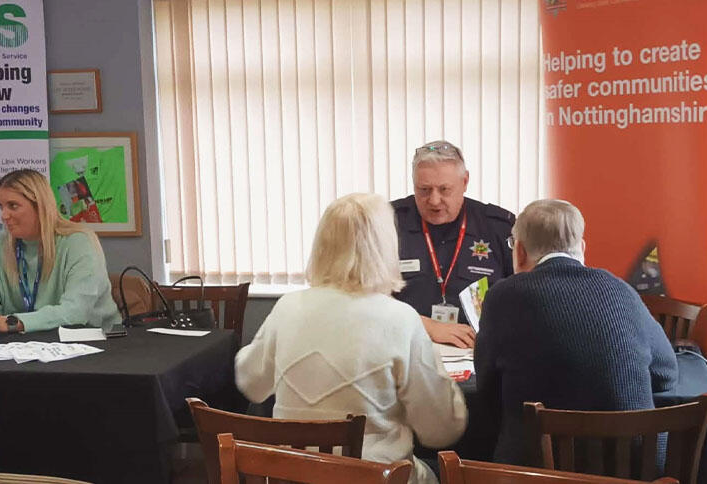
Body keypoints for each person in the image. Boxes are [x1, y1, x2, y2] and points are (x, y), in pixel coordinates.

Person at [236, 193, 467, 484]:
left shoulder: (287, 308)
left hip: (293, 476)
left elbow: (251, 383)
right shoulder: (400, 319)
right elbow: (440, 429)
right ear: (386, 247)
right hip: (375, 477)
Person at [474, 199, 678, 466]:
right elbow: (666, 374)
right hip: (633, 468)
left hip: (536, 472)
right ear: (581, 248)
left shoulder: (503, 297)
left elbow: (486, 387)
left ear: (520, 251)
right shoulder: (621, 291)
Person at [0, 169, 121, 333]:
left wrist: (11, 322)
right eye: (1, 206)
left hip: (94, 343)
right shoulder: (3, 243)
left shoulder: (79, 242)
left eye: (13, 206)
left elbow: (76, 312)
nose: (4, 215)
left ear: (40, 206)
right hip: (30, 345)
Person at [392, 140, 515, 349]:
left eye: (444, 189)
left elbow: (523, 299)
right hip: (404, 350)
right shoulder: (387, 223)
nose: (434, 200)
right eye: (424, 190)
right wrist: (424, 326)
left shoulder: (498, 228)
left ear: (465, 181)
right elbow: (360, 300)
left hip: (478, 353)